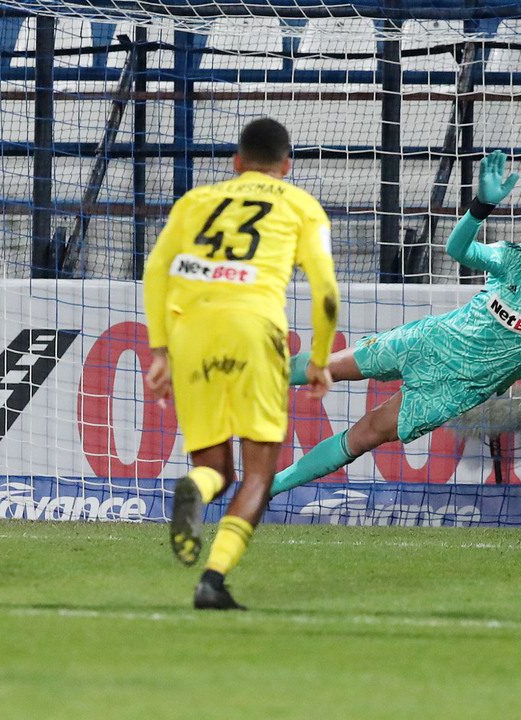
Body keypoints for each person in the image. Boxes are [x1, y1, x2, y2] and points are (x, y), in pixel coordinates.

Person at [271, 151, 521, 500]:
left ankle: (267, 488)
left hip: (451, 390)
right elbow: (458, 249)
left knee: (365, 434)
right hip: (425, 341)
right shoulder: (512, 258)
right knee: (326, 366)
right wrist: (481, 206)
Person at [144, 117, 340, 610]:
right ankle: (212, 580)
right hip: (255, 331)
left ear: (236, 162)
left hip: (191, 332)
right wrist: (319, 359)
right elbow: (326, 291)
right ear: (286, 165)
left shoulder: (195, 202)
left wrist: (160, 350)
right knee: (258, 473)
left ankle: (196, 486)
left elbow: (156, 270)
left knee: (215, 468)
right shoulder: (301, 206)